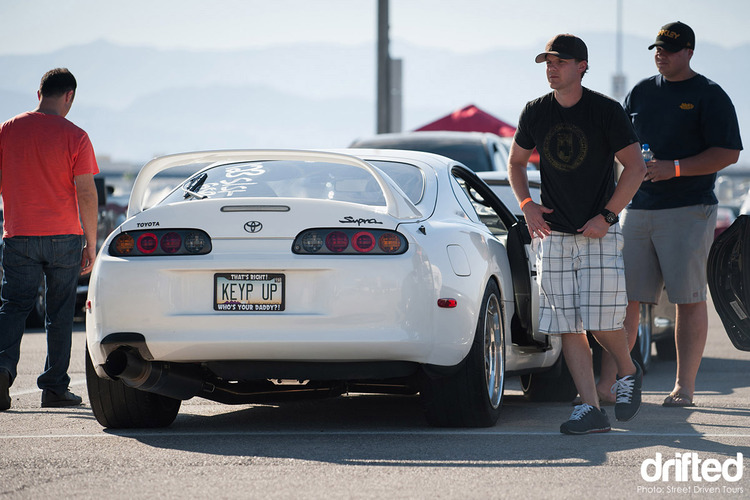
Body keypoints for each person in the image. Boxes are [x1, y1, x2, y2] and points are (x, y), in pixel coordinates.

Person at [508, 34, 646, 435]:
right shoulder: (535, 112)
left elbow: (635, 168)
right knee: (568, 326)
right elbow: (516, 163)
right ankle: (590, 409)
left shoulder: (605, 111)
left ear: (582, 66)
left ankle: (626, 369)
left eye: (560, 62)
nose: (552, 69)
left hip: (599, 234)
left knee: (603, 324)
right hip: (554, 236)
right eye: (547, 63)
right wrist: (527, 205)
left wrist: (607, 215)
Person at [600, 22, 742, 408]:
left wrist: (675, 167)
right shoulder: (641, 92)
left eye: (669, 49)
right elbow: (620, 142)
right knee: (624, 299)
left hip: (689, 209)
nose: (661, 54)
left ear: (689, 52)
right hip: (638, 208)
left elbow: (728, 152)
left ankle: (684, 387)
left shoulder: (709, 95)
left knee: (687, 299)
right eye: (657, 48)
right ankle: (613, 381)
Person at [0, 68, 99, 411]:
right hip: (63, 238)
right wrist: (92, 242)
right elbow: (86, 192)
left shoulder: (8, 130)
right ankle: (55, 388)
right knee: (58, 314)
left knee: (13, 307)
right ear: (69, 95)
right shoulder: (76, 136)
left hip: (19, 234)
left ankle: (1, 369)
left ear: (38, 92)